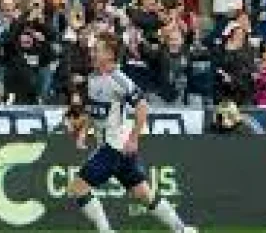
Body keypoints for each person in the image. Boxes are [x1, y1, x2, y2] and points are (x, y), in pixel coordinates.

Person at [65, 32, 197, 233]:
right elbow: (95, 111)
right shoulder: (93, 77)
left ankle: (106, 231)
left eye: (97, 49)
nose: (92, 52)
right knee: (143, 193)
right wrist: (84, 131)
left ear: (110, 54)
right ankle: (182, 229)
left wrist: (134, 139)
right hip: (115, 147)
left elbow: (142, 107)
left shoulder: (120, 80)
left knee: (78, 188)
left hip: (115, 146)